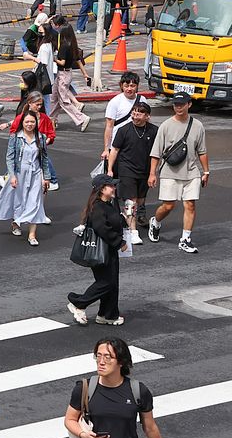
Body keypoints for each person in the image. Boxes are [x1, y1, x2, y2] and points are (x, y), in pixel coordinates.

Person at [147, 93, 208, 253]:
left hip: (192, 172)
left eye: (181, 104)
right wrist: (152, 173)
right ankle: (156, 221)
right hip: (169, 171)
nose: (178, 107)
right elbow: (156, 153)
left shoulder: (198, 126)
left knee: (190, 204)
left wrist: (206, 171)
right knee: (168, 206)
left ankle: (185, 239)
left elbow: (202, 151)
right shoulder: (166, 126)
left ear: (189, 104)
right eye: (176, 104)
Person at [66, 175, 127, 326]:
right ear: (102, 189)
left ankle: (107, 315)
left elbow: (114, 222)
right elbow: (102, 229)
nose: (114, 188)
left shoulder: (109, 204)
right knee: (107, 282)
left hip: (108, 250)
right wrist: (119, 242)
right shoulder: (98, 207)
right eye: (111, 186)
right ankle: (79, 303)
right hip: (102, 250)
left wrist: (126, 216)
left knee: (111, 283)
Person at [0, 110, 51, 245]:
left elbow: (44, 159)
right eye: (27, 122)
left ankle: (32, 234)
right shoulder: (15, 137)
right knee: (18, 200)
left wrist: (46, 177)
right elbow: (10, 157)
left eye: (32, 122)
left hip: (35, 173)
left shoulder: (41, 138)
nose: (29, 124)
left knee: (35, 201)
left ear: (36, 123)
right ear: (22, 123)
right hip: (19, 173)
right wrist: (12, 176)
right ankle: (15, 223)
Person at [106, 101, 157, 245]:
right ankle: (133, 231)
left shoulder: (154, 131)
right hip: (126, 169)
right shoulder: (124, 130)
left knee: (140, 200)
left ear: (147, 116)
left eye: (139, 113)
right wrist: (110, 169)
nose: (135, 116)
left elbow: (158, 152)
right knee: (131, 201)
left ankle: (126, 217)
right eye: (133, 113)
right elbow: (114, 150)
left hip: (144, 171)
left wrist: (153, 172)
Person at [51, 22, 93, 131]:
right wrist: (85, 74)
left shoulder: (64, 46)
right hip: (67, 74)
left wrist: (54, 59)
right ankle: (51, 119)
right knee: (54, 97)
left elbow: (62, 62)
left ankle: (82, 118)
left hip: (63, 74)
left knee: (63, 100)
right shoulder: (72, 45)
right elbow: (78, 61)